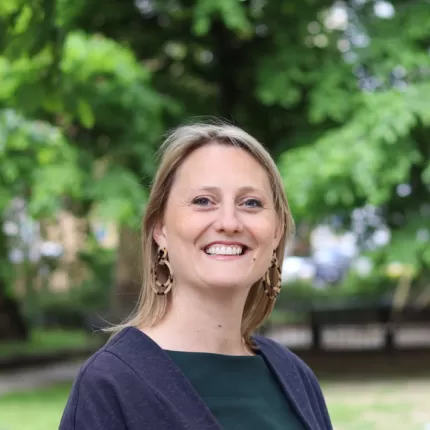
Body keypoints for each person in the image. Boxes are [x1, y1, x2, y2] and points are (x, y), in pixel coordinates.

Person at [60, 121, 333, 430]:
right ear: (159, 229)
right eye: (203, 201)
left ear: (276, 233)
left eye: (251, 203)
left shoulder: (295, 376)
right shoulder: (110, 383)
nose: (229, 222)